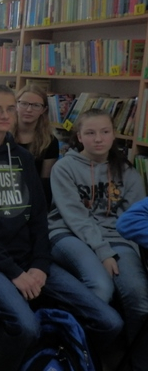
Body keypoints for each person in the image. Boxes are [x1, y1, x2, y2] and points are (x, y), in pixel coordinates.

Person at [0, 84, 124, 371]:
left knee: (109, 322)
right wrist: (15, 273)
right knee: (25, 326)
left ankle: (52, 354)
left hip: (30, 259)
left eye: (10, 108)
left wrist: (40, 264)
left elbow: (39, 217)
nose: (5, 115)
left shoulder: (22, 157)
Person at [48, 108, 148, 370]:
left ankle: (138, 364)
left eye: (105, 132)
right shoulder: (65, 167)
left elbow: (135, 219)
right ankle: (81, 357)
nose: (99, 138)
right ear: (79, 137)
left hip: (117, 239)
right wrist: (103, 251)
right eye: (90, 133)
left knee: (139, 298)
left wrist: (125, 254)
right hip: (69, 234)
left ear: (114, 135)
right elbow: (75, 217)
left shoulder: (127, 172)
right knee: (101, 289)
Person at [12, 84, 58, 206]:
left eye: (36, 105)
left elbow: (45, 182)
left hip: (33, 199)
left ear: (43, 110)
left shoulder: (50, 141)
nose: (29, 110)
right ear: (16, 105)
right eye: (24, 103)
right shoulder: (3, 135)